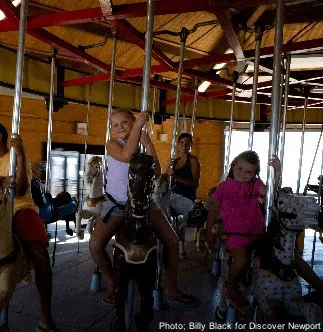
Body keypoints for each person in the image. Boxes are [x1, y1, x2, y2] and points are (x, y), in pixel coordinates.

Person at [89, 108, 200, 306]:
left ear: (133, 123)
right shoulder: (112, 144)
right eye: (115, 125)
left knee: (173, 242)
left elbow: (156, 172)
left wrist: (149, 145)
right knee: (95, 245)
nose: (120, 127)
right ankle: (112, 282)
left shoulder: (140, 148)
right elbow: (125, 155)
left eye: (125, 122)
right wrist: (139, 126)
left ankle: (171, 288)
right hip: (117, 203)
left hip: (144, 202)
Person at [0, 122, 58, 332]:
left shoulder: (15, 157)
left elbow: (22, 188)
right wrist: (0, 182)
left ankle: (45, 318)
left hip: (21, 208)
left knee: (40, 254)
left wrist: (22, 154)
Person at [206, 151, 281, 320]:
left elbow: (267, 192)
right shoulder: (224, 187)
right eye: (239, 169)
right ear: (232, 167)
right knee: (242, 260)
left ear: (255, 174)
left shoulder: (254, 185)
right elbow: (214, 208)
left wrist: (276, 173)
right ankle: (231, 288)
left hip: (256, 233)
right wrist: (209, 229)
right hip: (236, 234)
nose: (242, 174)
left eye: (249, 172)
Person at [165, 133, 201, 258]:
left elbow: (195, 184)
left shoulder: (193, 160)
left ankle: (179, 245)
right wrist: (167, 169)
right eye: (182, 142)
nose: (184, 145)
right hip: (174, 195)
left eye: (187, 143)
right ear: (178, 144)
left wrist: (177, 177)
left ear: (190, 145)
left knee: (172, 211)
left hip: (186, 197)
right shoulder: (175, 161)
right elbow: (167, 179)